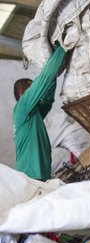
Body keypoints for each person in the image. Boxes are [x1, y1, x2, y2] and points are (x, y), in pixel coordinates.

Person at [13, 45, 66, 181]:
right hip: (30, 175)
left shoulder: (33, 114)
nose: (37, 93)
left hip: (39, 176)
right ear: (23, 94)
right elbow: (43, 80)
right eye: (32, 89)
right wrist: (61, 49)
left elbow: (47, 100)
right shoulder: (22, 106)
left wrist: (53, 77)